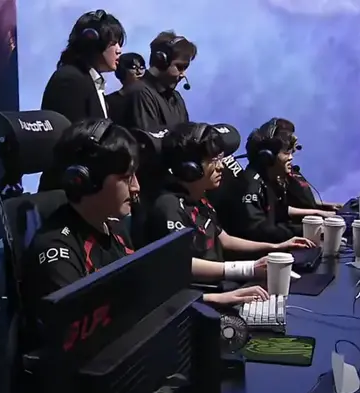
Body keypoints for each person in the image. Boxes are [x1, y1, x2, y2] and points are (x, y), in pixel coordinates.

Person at [22, 119, 269, 349]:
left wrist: (214, 299)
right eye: (125, 178)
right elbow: (79, 345)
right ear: (84, 181)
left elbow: (142, 295)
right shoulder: (58, 250)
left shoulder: (114, 228)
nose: (136, 187)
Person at [135, 122, 315, 283]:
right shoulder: (168, 206)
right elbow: (181, 263)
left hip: (219, 283)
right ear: (190, 168)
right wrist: (248, 269)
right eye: (214, 160)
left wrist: (277, 247)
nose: (221, 166)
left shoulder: (199, 199)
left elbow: (224, 240)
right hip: (198, 295)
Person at [219, 119, 327, 243]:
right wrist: (307, 230)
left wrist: (318, 213)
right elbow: (259, 231)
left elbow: (279, 210)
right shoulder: (250, 186)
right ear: (267, 157)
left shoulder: (267, 180)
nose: (291, 158)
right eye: (286, 153)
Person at [41, 9, 125, 123]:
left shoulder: (90, 80)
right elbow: (74, 132)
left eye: (119, 44)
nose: (119, 50)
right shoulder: (70, 81)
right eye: (113, 43)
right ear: (93, 42)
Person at [117, 31, 196, 134]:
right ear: (160, 62)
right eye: (179, 67)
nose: (183, 74)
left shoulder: (176, 98)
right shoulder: (140, 93)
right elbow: (147, 140)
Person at [106, 52, 146, 124]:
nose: (139, 72)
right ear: (121, 71)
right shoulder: (109, 101)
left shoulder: (151, 96)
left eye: (142, 68)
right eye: (134, 68)